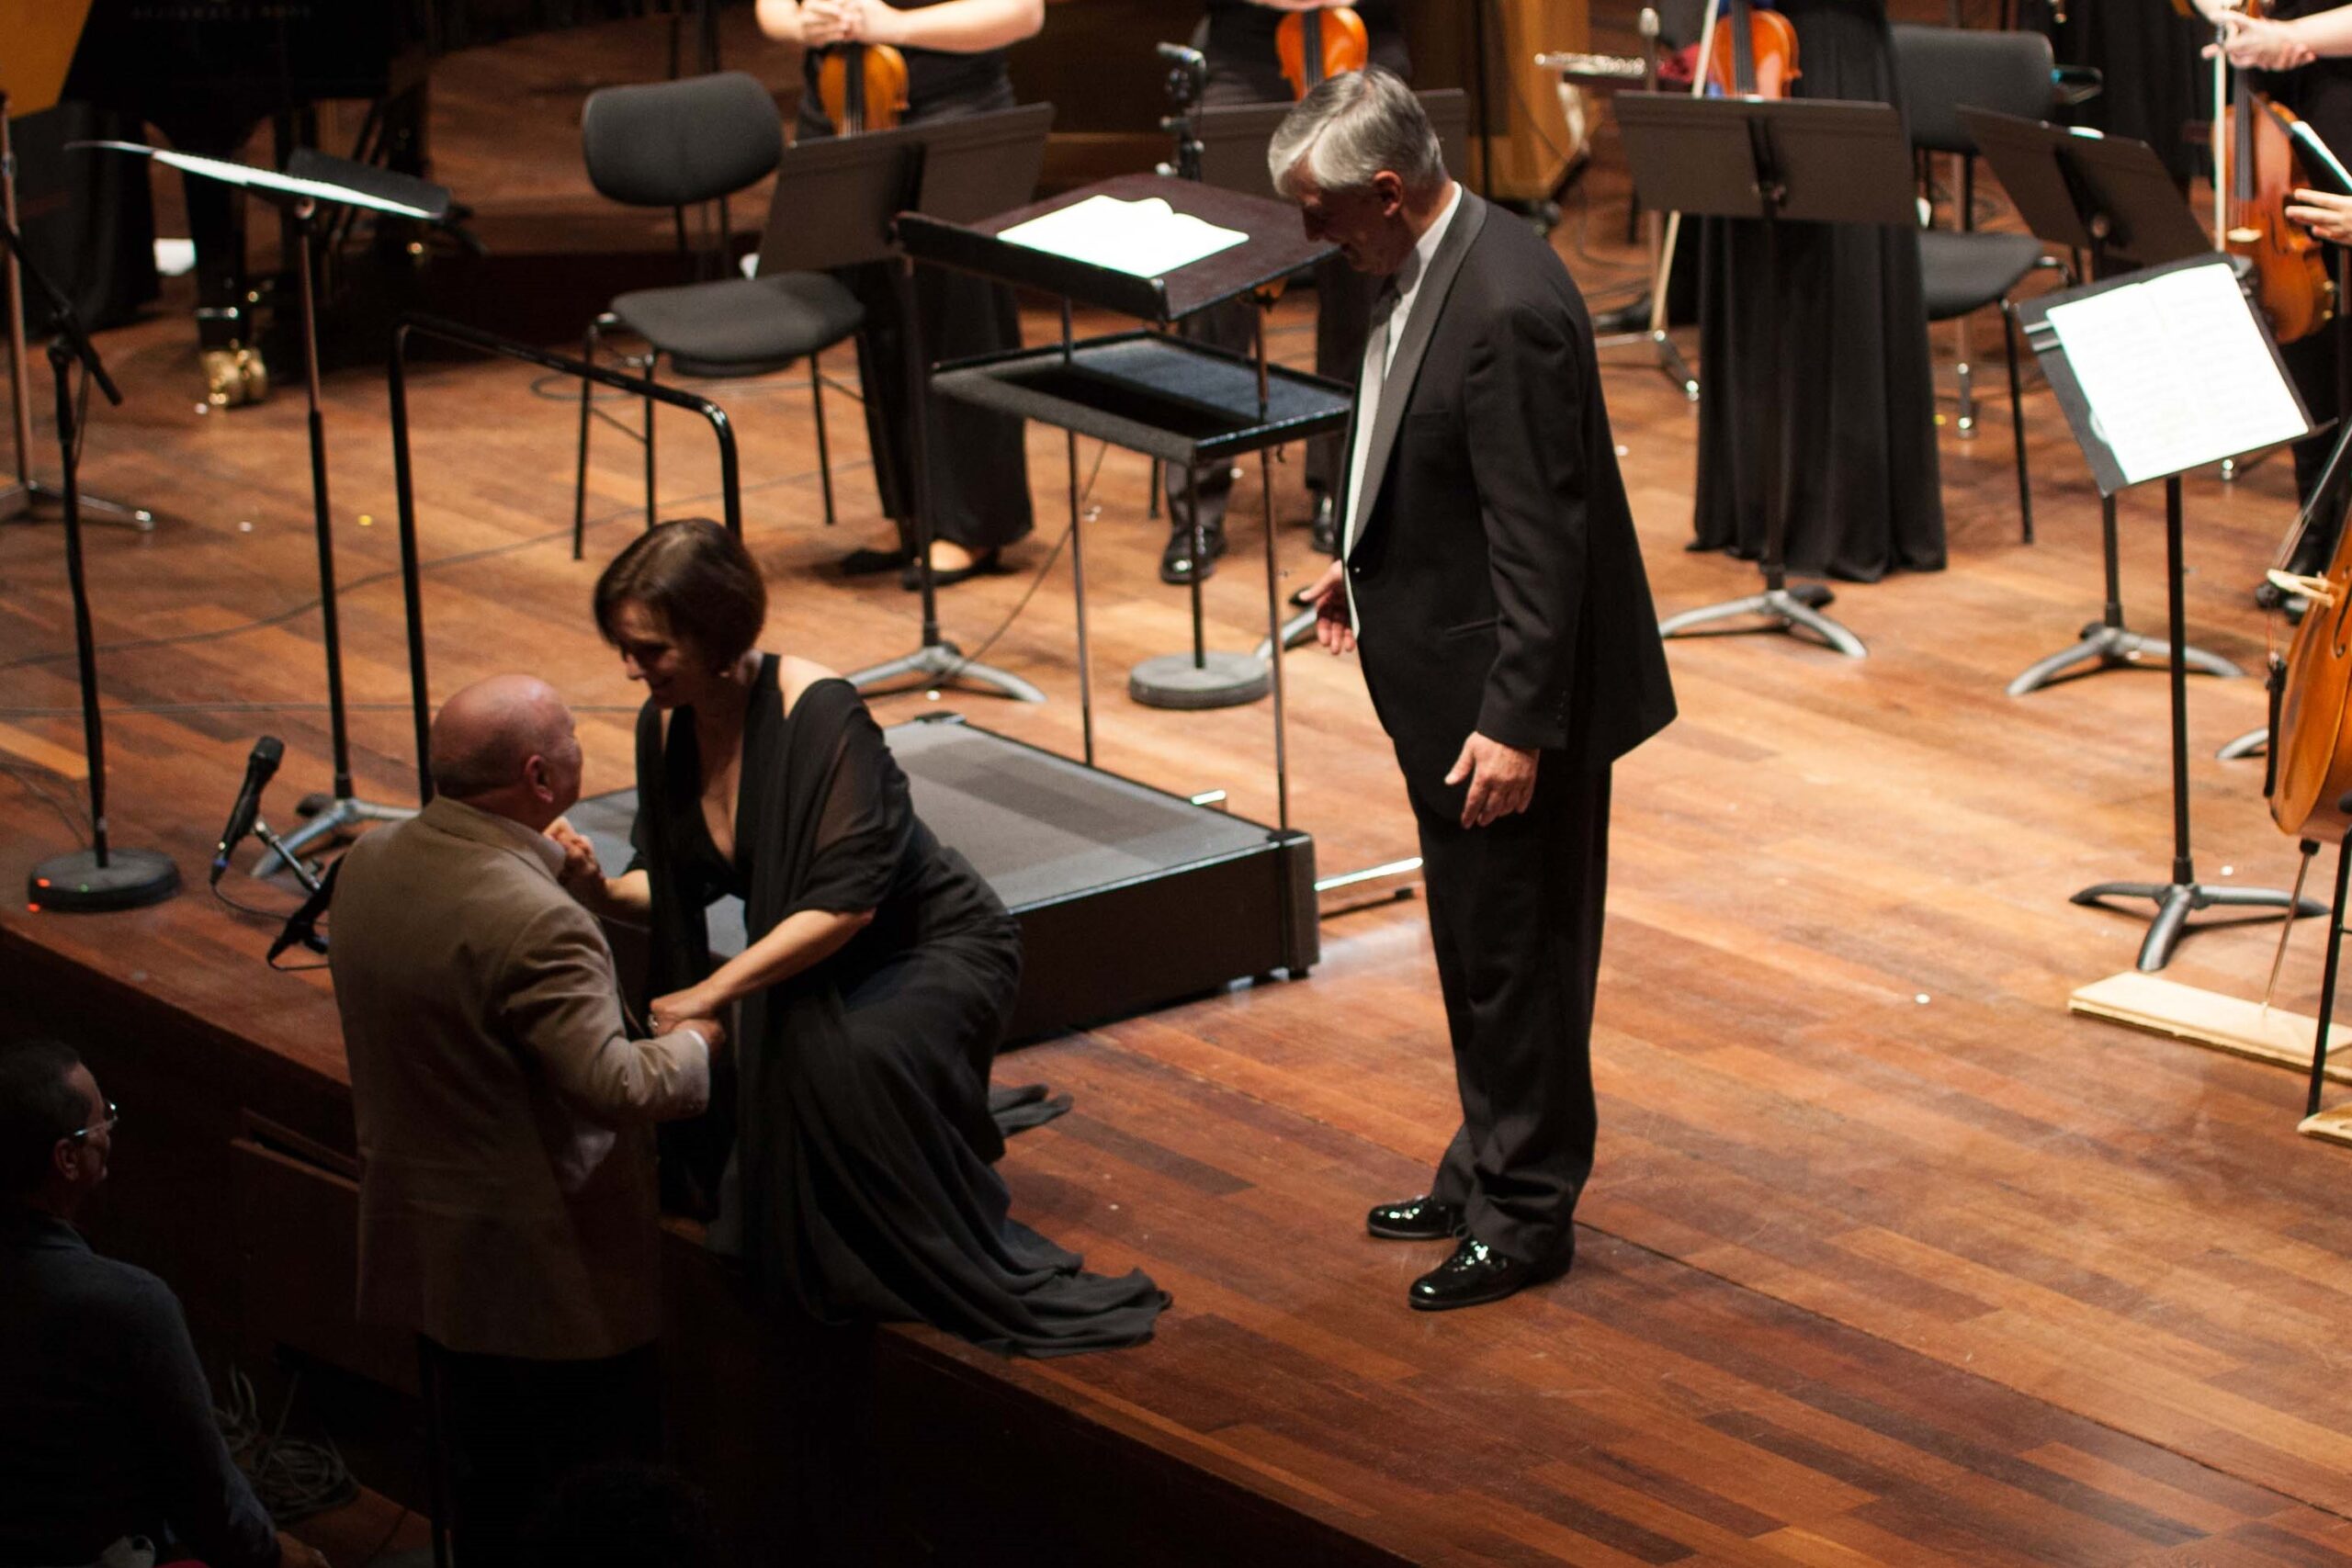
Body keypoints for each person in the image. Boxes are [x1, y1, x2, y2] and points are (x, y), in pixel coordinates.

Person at [555, 518, 1165, 1353]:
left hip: (936, 945)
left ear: (716, 633)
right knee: (782, 1056)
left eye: (650, 649)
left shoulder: (820, 712)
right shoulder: (667, 722)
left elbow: (847, 907)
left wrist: (713, 992)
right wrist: (595, 887)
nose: (631, 667)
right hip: (818, 960)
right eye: (625, 647)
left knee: (835, 1061)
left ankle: (893, 1257)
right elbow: (674, 882)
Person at [1281, 73, 1677, 1309]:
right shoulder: (1423, 262)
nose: (1311, 234)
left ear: (1386, 190)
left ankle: (1526, 1211)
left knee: (1521, 955)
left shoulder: (1506, 304)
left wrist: (1514, 722)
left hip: (1506, 706)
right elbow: (1430, 452)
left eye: (1320, 210)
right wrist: (1360, 567)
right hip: (1448, 675)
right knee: (1476, 944)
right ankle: (1484, 1162)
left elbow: (1544, 540)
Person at [327, 676, 722, 1568]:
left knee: (488, 1505)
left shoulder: (370, 861)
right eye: (574, 736)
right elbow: (614, 1083)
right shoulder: (539, 921)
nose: (585, 746)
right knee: (592, 1527)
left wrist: (556, 872)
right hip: (548, 1289)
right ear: (541, 776)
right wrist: (698, 1040)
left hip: (434, 1260)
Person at [0, 1038, 333, 1568]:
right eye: (101, 1121)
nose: (110, 1130)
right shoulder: (129, 1306)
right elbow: (209, 1503)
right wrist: (279, 1555)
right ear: (66, 1159)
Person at [756, 0, 1044, 590]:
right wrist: (802, 25)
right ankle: (911, 511)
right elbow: (772, 9)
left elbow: (1023, 13)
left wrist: (896, 27)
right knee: (877, 319)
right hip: (844, 105)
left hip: (952, 110)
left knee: (961, 318)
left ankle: (972, 523)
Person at [1691, 0, 1944, 584]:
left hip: (1834, 57)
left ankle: (1840, 519)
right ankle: (1755, 509)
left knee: (1841, 283)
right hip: (1747, 41)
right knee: (1756, 275)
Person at [1162, 0, 1413, 581]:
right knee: (1216, 279)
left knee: (1363, 280)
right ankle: (1198, 501)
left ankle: (1345, 487)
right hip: (1244, 52)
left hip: (1363, 39)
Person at [2209, 0, 2352, 595]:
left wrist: (2293, 36)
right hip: (2277, 83)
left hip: (2338, 84)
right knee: (2299, 327)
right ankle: (2315, 526)